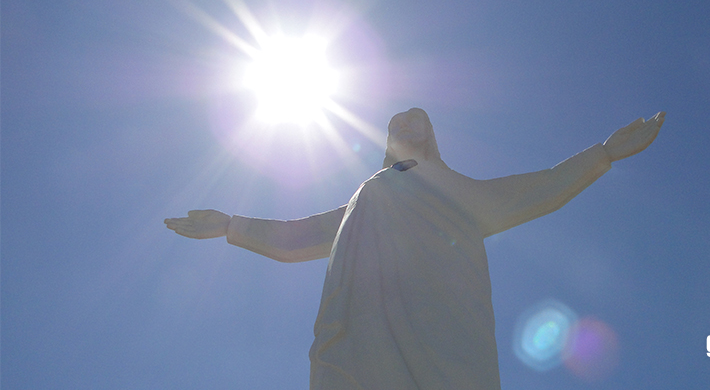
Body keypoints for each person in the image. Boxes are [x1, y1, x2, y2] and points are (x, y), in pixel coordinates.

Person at [165, 108, 665, 389]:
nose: (407, 127)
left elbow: (540, 188)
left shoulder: (454, 190)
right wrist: (231, 224)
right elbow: (300, 236)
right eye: (397, 124)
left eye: (418, 122)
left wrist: (604, 153)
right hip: (363, 329)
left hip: (442, 330)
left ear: (431, 137)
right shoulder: (368, 196)